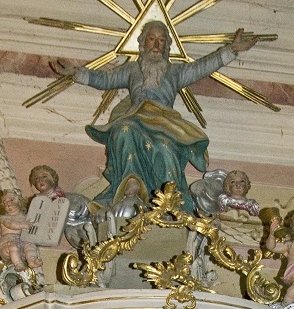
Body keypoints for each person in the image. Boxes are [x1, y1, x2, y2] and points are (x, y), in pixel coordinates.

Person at [52, 21, 259, 211]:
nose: (156, 45)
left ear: (167, 46)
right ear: (143, 43)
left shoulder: (175, 71)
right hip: (136, 117)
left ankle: (170, 200)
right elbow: (106, 79)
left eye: (162, 40)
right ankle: (131, 183)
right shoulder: (133, 69)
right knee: (124, 130)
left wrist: (231, 50)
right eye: (152, 39)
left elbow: (201, 67)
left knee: (165, 147)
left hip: (164, 122)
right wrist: (77, 74)